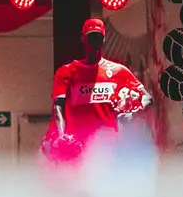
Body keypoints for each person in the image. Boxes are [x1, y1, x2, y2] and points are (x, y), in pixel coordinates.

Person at [47, 18, 151, 158]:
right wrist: (60, 136)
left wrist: (133, 114)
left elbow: (147, 98)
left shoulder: (118, 71)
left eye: (98, 37)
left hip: (109, 148)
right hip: (77, 147)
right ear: (83, 39)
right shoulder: (67, 72)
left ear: (104, 39)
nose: (95, 41)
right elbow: (57, 107)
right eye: (91, 37)